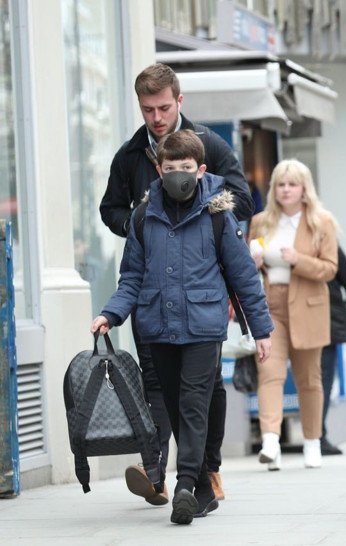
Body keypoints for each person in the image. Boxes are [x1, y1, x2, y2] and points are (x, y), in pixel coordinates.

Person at [90, 130, 273, 524]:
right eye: (170, 168)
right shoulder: (143, 216)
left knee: (192, 405)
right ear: (159, 169)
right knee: (173, 405)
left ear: (201, 169)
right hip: (157, 326)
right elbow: (132, 278)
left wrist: (260, 330)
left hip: (204, 327)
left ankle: (186, 486)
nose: (177, 175)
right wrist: (111, 314)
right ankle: (204, 491)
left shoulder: (218, 216)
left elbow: (243, 278)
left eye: (185, 168)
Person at [248, 159, 339, 471]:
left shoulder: (320, 222)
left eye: (292, 184)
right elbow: (246, 267)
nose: (285, 190)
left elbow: (330, 269)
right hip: (270, 305)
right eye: (280, 184)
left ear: (304, 189)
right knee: (269, 373)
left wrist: (298, 259)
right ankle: (270, 441)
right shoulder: (261, 222)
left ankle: (312, 441)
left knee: (309, 379)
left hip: (308, 305)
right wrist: (255, 262)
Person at [320, 246, 346, 456]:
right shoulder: (327, 243)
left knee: (310, 380)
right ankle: (317, 435)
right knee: (322, 380)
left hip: (316, 321)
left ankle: (315, 434)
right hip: (328, 319)